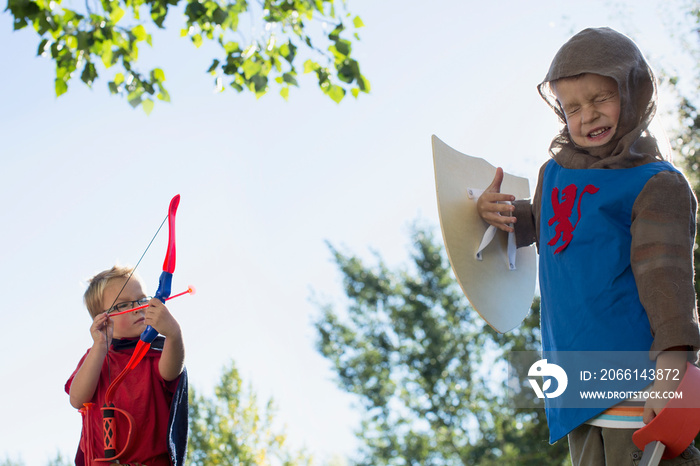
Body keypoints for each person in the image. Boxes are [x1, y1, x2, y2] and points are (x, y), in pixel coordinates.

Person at [477, 27, 700, 464]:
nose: (588, 116)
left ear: (634, 92)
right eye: (572, 106)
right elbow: (541, 225)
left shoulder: (654, 183)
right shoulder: (555, 175)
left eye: (601, 98)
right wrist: (493, 212)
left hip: (639, 384)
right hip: (574, 389)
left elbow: (668, 282)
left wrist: (672, 371)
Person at [65, 266, 188, 465]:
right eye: (123, 305)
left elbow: (172, 372)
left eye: (142, 300)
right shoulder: (96, 356)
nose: (138, 308)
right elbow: (77, 399)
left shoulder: (156, 350)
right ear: (101, 319)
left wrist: (174, 334)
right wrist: (100, 347)